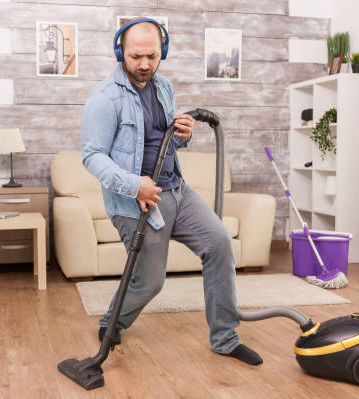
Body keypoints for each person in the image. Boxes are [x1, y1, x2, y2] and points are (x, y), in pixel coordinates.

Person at [81, 18, 262, 366]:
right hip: (135, 203)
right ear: (120, 52)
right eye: (136, 57)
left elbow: (164, 143)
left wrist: (183, 135)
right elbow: (92, 157)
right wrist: (136, 185)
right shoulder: (105, 98)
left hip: (175, 189)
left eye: (152, 55)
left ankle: (225, 337)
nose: (145, 64)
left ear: (162, 51)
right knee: (150, 283)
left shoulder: (163, 87)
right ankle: (112, 322)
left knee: (220, 243)